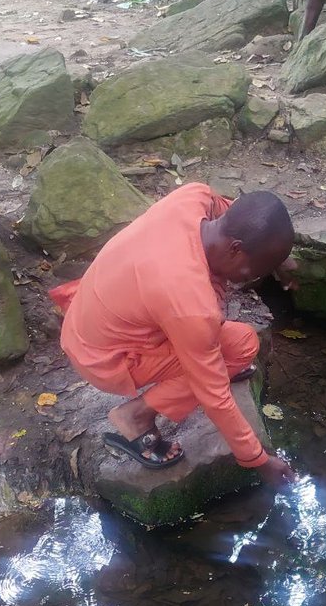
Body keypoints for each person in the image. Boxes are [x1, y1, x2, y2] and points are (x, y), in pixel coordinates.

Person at [49, 183, 297, 489]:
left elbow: (236, 211)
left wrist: (277, 259)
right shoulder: (190, 303)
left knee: (242, 342)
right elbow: (214, 395)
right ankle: (136, 417)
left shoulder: (192, 197)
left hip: (91, 321)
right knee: (225, 358)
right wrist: (258, 459)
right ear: (235, 249)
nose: (251, 279)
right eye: (252, 271)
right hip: (103, 356)